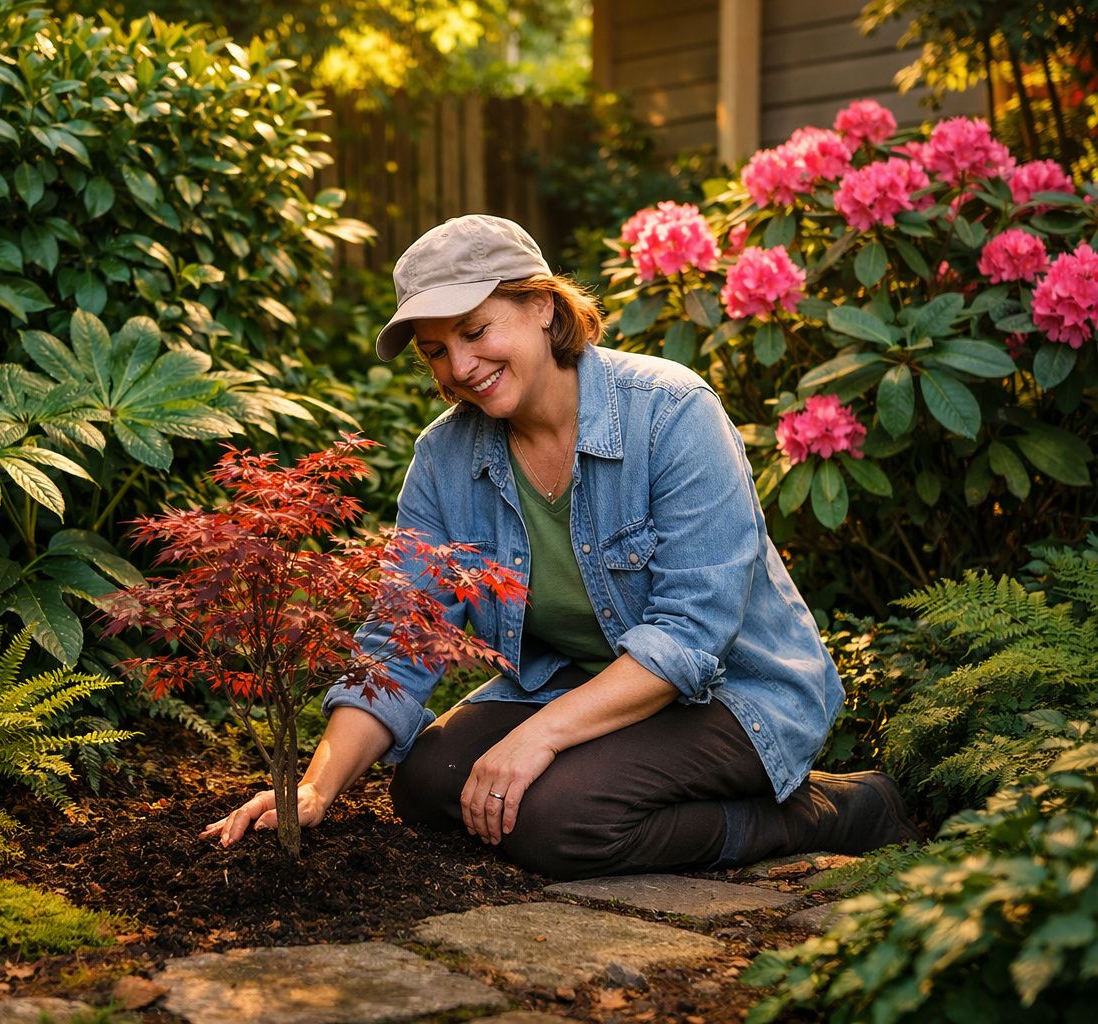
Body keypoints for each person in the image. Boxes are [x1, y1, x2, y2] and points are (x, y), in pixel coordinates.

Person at [201, 214, 922, 878]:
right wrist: (314, 787)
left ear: (543, 307)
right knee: (425, 782)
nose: (460, 367)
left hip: (732, 695)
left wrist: (538, 739)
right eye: (437, 351)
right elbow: (402, 639)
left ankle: (830, 811)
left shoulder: (672, 414)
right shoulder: (446, 458)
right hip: (582, 688)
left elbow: (693, 636)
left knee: (558, 823)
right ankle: (597, 779)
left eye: (476, 330)